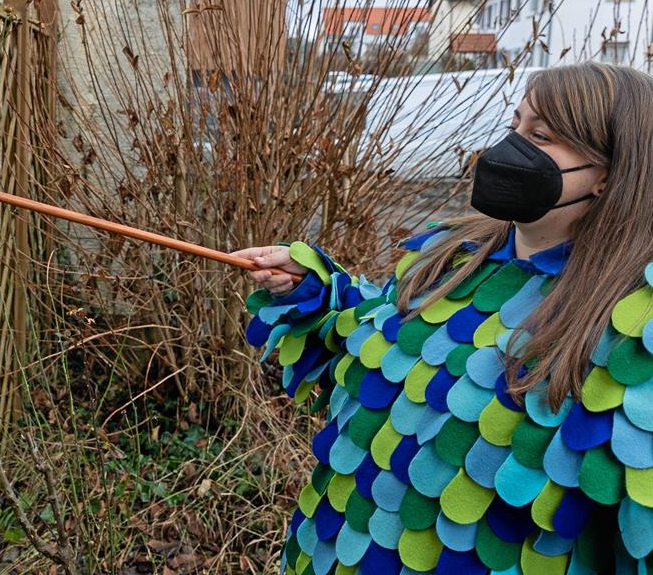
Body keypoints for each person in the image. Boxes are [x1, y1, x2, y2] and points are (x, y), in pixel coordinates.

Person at [232, 62, 653, 574]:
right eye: (514, 125)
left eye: (540, 136)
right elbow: (387, 337)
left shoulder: (634, 330)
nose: (508, 149)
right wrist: (318, 288)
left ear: (609, 175)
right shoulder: (449, 253)